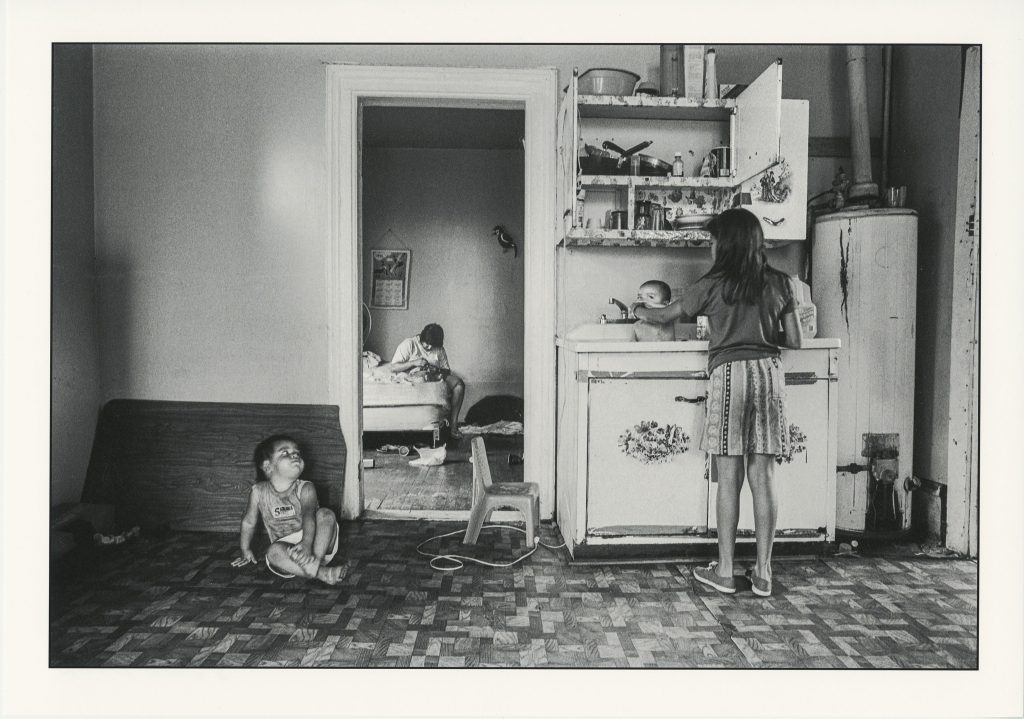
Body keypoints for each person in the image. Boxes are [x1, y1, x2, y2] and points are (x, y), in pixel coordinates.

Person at [631, 208, 804, 597]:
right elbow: (794, 341)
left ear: (724, 245)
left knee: (729, 479)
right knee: (764, 477)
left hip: (729, 376)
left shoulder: (711, 285)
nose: (710, 247)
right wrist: (762, 325)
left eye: (712, 241)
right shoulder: (780, 283)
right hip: (768, 375)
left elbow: (663, 318)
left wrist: (637, 309)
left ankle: (725, 571)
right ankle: (763, 573)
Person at [231, 434, 348, 585]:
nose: (294, 455)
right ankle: (320, 573)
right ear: (267, 466)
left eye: (297, 453)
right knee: (273, 552)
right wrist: (245, 549)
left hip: (317, 545)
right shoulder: (258, 492)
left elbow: (308, 516)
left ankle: (315, 563)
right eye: (285, 453)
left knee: (326, 514)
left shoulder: (305, 488)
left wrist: (307, 543)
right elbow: (248, 522)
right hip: (288, 556)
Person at [390, 323, 466, 439]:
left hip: (435, 376)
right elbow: (393, 367)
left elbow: (447, 371)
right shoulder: (409, 344)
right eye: (427, 344)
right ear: (422, 337)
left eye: (433, 345)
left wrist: (436, 369)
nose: (430, 348)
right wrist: (413, 363)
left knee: (459, 385)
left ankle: (453, 426)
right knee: (423, 379)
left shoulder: (439, 349)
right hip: (415, 377)